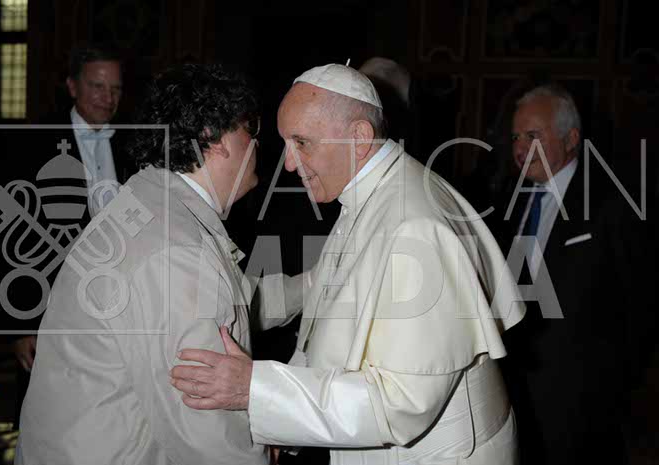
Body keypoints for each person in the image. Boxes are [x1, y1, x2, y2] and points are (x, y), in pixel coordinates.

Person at [170, 64, 526, 464]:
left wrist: (256, 389)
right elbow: (320, 314)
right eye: (286, 143)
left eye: (302, 142)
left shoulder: (415, 226)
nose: (289, 164)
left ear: (358, 137)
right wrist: (281, 420)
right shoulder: (367, 194)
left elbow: (401, 403)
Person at [15, 64, 277, 464]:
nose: (257, 144)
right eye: (250, 128)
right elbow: (206, 434)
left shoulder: (148, 203)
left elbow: (238, 303)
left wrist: (314, 286)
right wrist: (258, 450)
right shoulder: (175, 249)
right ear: (215, 138)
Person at [497, 84, 657, 464]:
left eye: (533, 135)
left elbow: (641, 307)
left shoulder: (612, 203)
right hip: (519, 397)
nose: (520, 148)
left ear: (571, 139)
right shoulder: (512, 201)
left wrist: (612, 390)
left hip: (585, 410)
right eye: (516, 137)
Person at [11, 44, 135, 419]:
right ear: (72, 86)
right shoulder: (34, 144)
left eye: (115, 88)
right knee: (49, 415)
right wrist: (21, 324)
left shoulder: (135, 142)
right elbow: (16, 237)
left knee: (109, 416)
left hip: (119, 308)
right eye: (97, 86)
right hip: (53, 305)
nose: (108, 98)